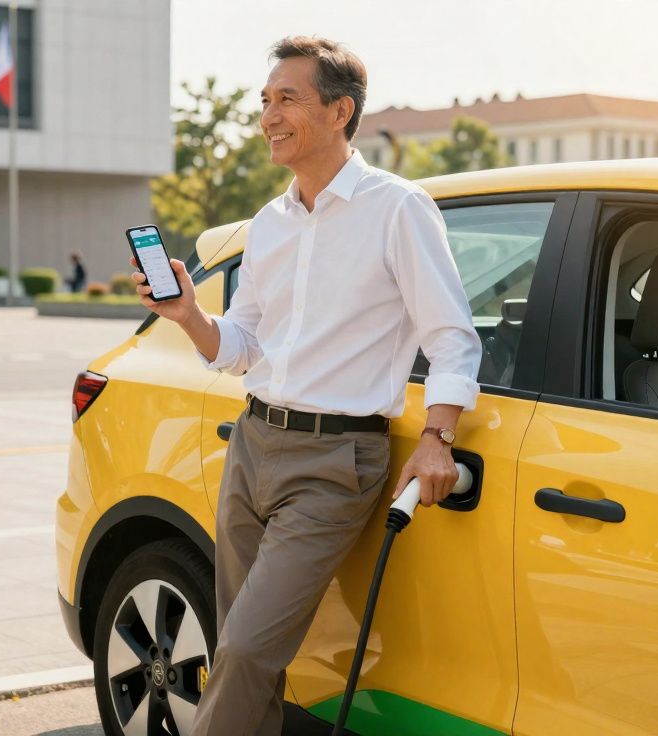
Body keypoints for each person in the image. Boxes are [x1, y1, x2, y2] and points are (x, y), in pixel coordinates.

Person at [130, 35, 481, 736]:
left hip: (334, 464)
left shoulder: (398, 209)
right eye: (265, 101)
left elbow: (452, 336)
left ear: (339, 111)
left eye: (287, 98)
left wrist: (438, 435)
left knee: (245, 650)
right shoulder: (269, 224)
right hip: (252, 445)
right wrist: (190, 315)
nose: (269, 116)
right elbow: (242, 347)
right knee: (247, 659)